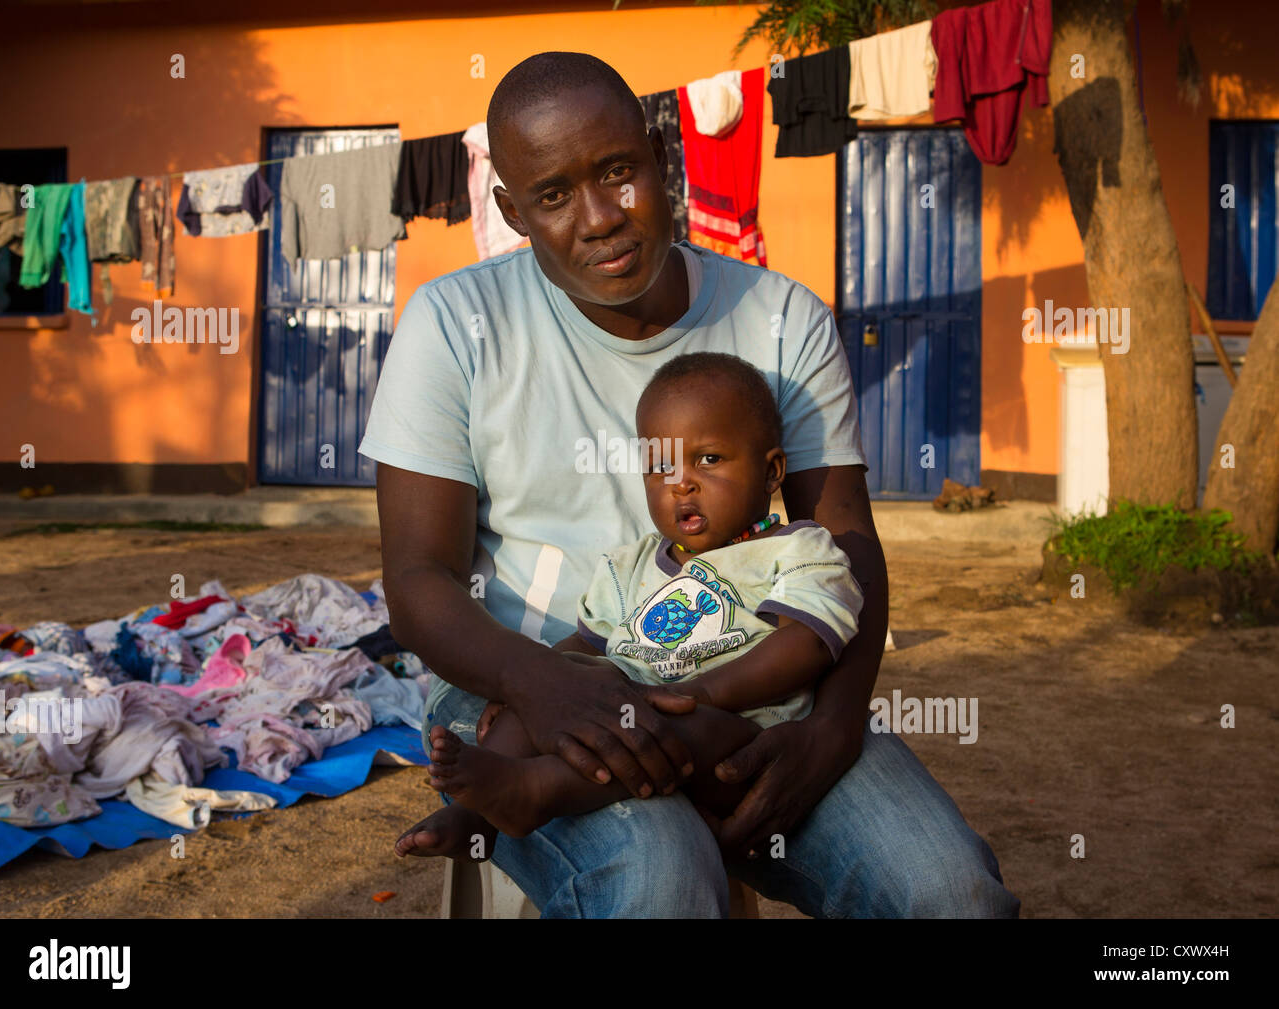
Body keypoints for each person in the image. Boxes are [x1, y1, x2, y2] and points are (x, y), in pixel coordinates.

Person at [359, 50, 1019, 918]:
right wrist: (546, 685)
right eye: (554, 197)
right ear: (512, 210)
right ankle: (498, 807)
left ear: (661, 159)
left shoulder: (781, 319)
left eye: (618, 172)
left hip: (747, 678)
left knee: (949, 890)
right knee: (660, 883)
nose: (599, 218)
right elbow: (417, 582)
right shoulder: (454, 326)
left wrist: (832, 727)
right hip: (524, 671)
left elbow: (846, 541)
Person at [419, 352, 865, 841]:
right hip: (629, 711)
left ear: (772, 471)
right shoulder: (630, 565)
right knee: (564, 682)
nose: (681, 483)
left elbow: (806, 644)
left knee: (693, 726)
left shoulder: (798, 550)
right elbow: (588, 645)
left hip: (736, 738)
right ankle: (477, 813)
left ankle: (536, 791)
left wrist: (701, 693)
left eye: (709, 459)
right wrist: (531, 685)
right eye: (660, 467)